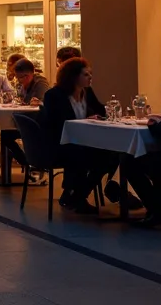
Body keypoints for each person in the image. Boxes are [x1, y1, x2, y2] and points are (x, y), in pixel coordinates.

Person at [40, 58, 123, 214]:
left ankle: (77, 195)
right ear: (73, 76)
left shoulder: (87, 92)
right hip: (60, 144)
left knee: (112, 155)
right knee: (97, 156)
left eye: (90, 74)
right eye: (86, 74)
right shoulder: (54, 95)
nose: (90, 77)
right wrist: (86, 120)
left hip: (84, 142)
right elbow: (58, 123)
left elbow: (101, 111)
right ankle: (77, 196)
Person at [125, 68, 161, 229]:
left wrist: (152, 126)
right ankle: (159, 211)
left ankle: (159, 211)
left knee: (129, 162)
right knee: (153, 162)